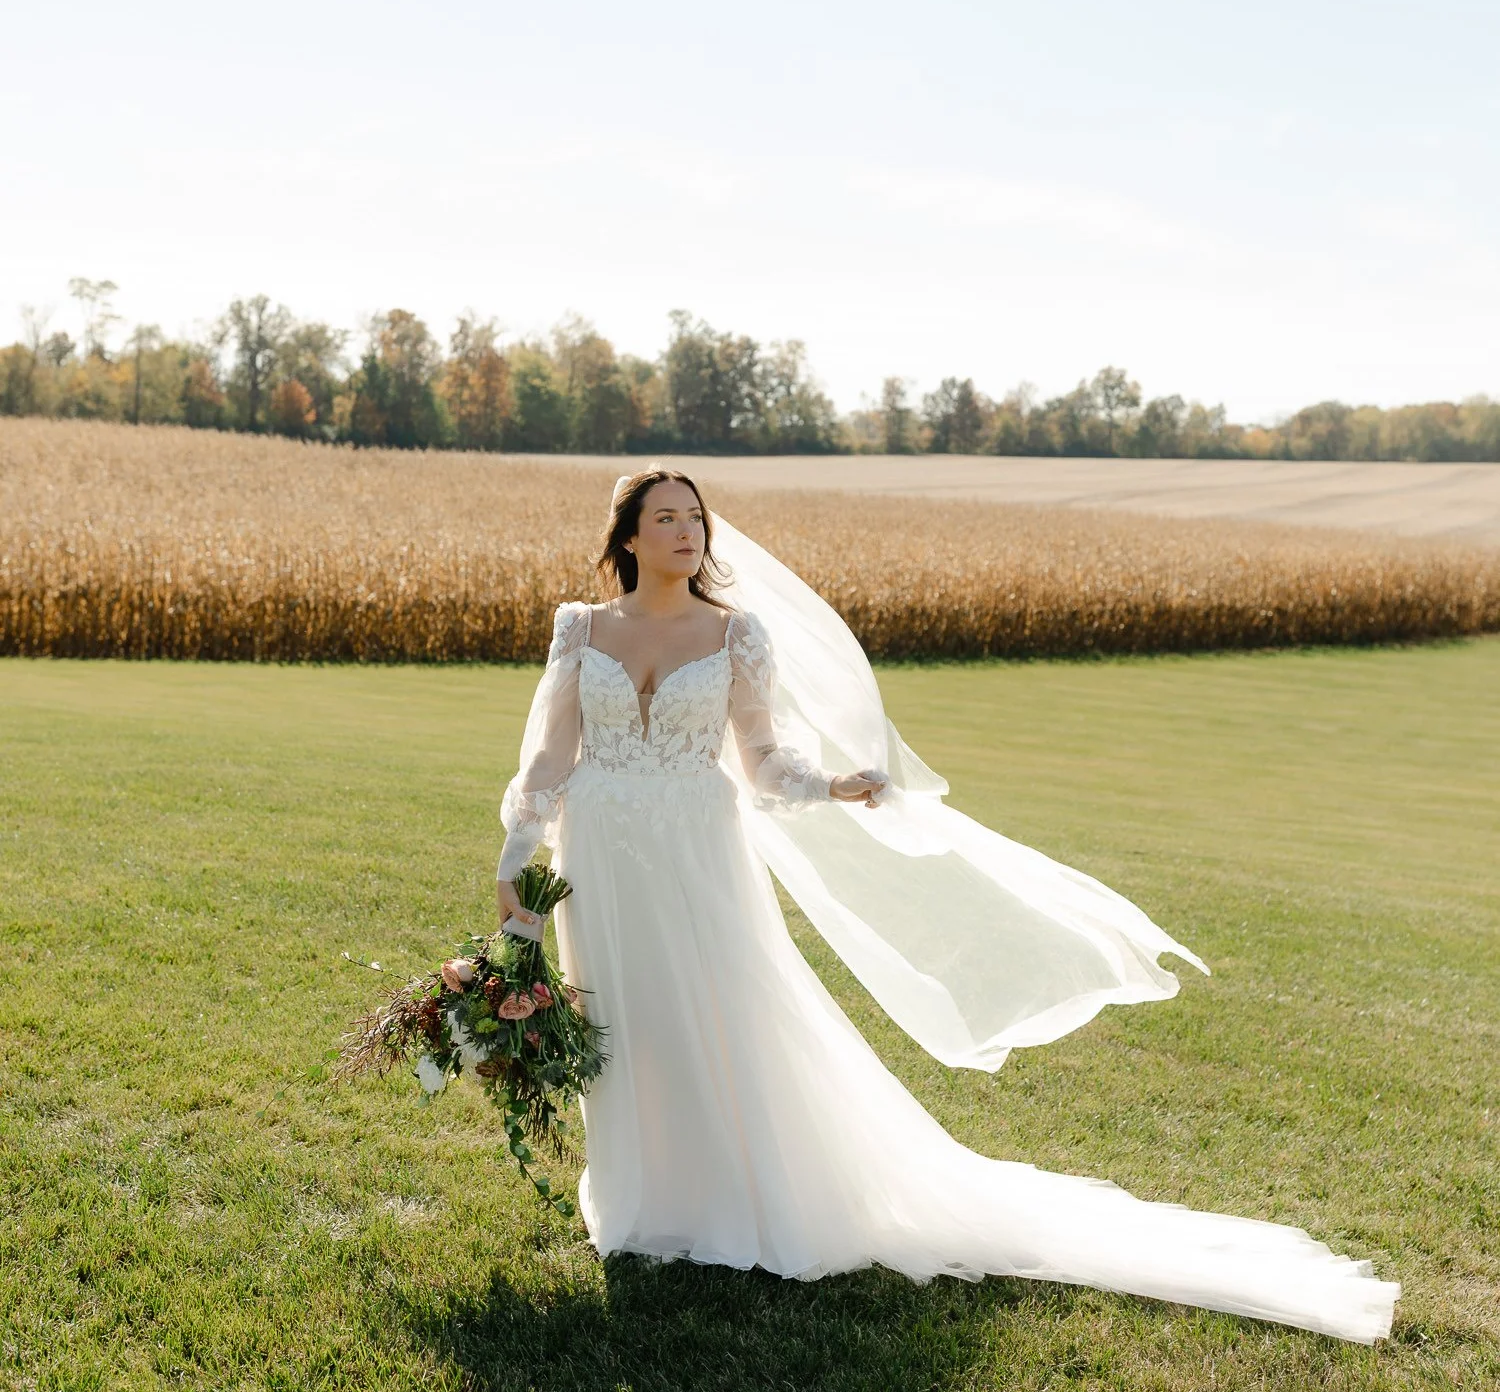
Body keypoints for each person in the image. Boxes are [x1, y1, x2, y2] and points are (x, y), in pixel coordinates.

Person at [497, 466, 1398, 1343]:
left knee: (719, 1014)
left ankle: (733, 1199)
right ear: (628, 536)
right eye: (666, 518)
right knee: (620, 1018)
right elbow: (547, 758)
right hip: (602, 849)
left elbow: (761, 762)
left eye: (695, 515)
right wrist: (517, 860)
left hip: (698, 844)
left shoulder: (737, 636)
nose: (688, 531)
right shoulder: (582, 631)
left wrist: (829, 784)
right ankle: (641, 1204)